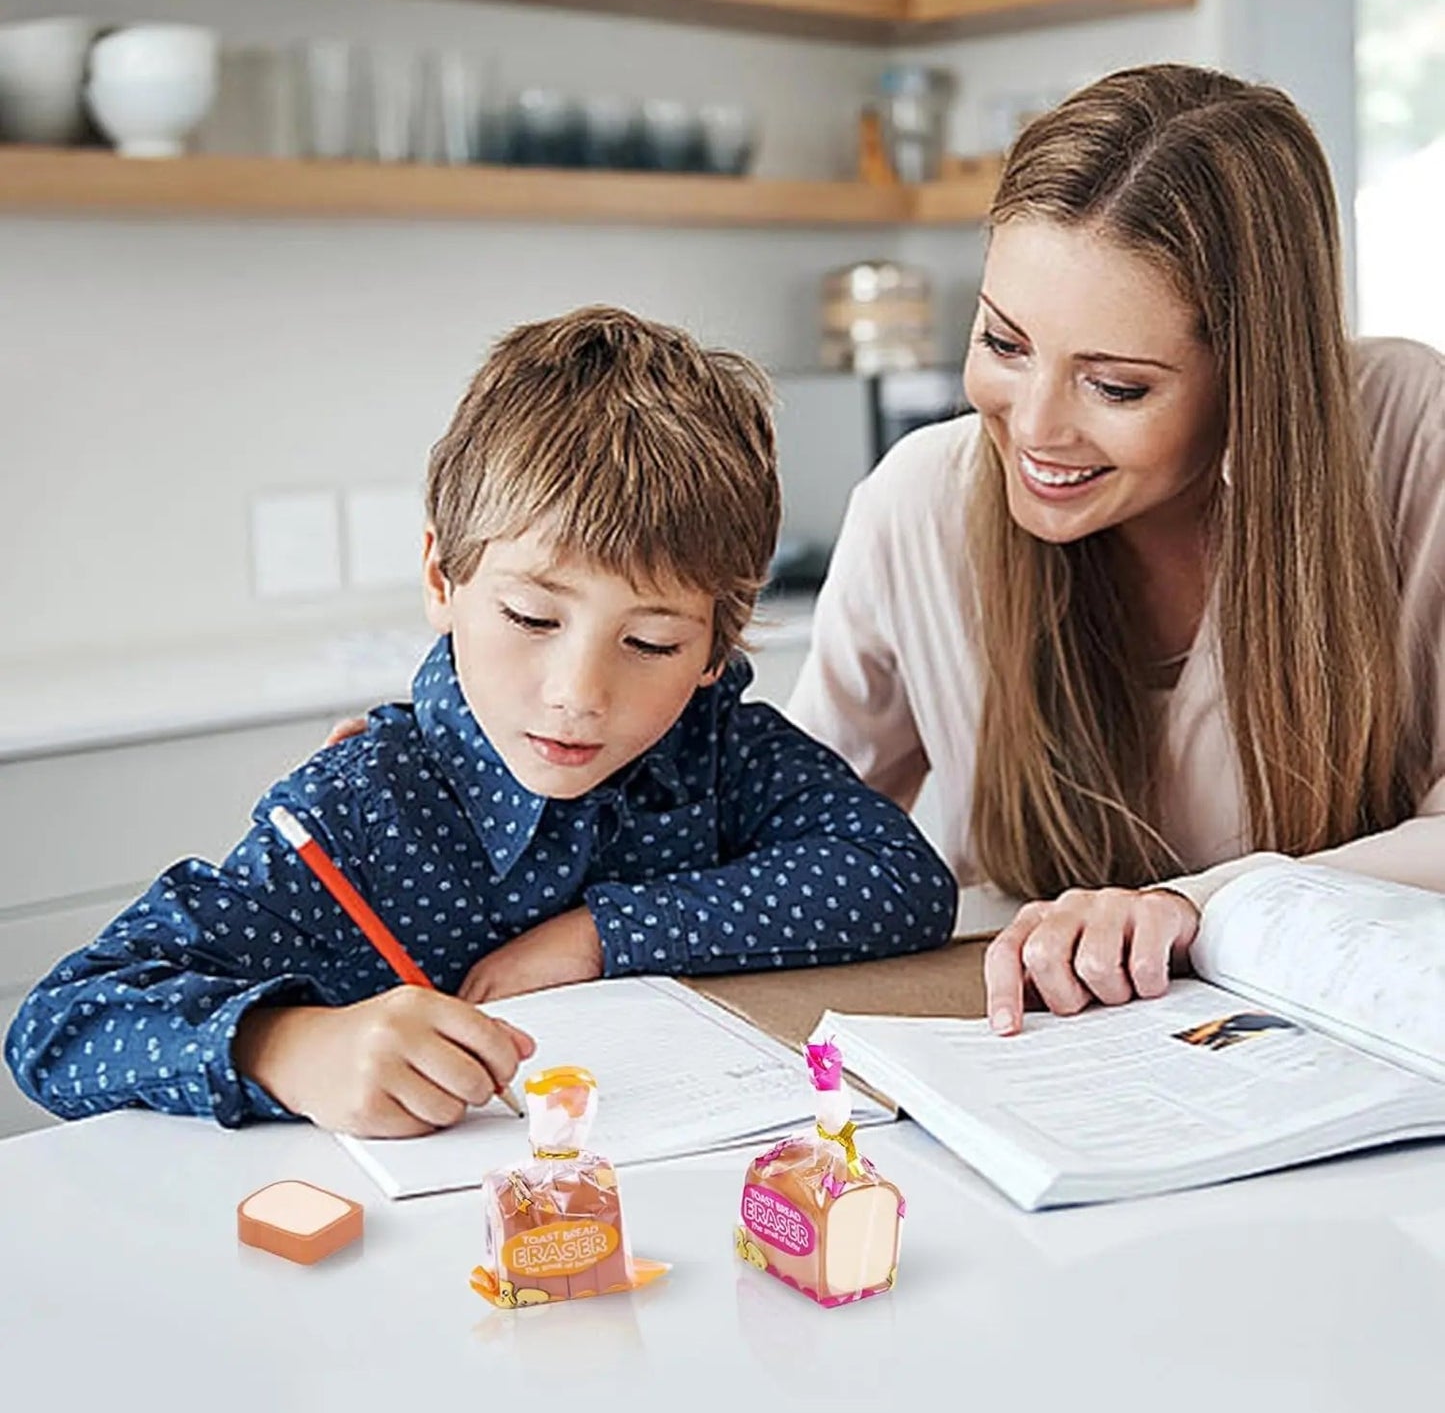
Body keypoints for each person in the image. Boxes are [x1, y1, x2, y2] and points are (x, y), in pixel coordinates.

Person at [4, 307, 957, 1136]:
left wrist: (599, 933)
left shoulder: (716, 748)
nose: (578, 693)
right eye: (532, 619)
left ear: (715, 648)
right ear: (440, 579)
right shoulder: (361, 804)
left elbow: (900, 881)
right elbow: (60, 1023)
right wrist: (286, 1046)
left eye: (653, 643)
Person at [787, 63, 1445, 1034]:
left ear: (1251, 377)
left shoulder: (1407, 435)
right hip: (1037, 1076)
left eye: (1116, 387)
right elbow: (792, 835)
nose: (1034, 428)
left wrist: (1197, 903)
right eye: (1002, 344)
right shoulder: (917, 502)